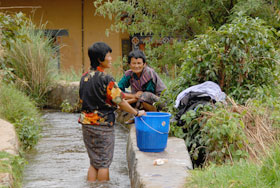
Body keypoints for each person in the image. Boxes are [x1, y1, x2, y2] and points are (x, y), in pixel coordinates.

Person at [78, 42, 145, 182]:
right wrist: (136, 112)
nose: (110, 58)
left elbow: (82, 100)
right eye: (108, 56)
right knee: (103, 164)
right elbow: (119, 100)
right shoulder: (106, 79)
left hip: (86, 124)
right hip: (103, 125)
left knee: (94, 162)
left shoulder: (84, 78)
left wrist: (132, 96)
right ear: (100, 59)